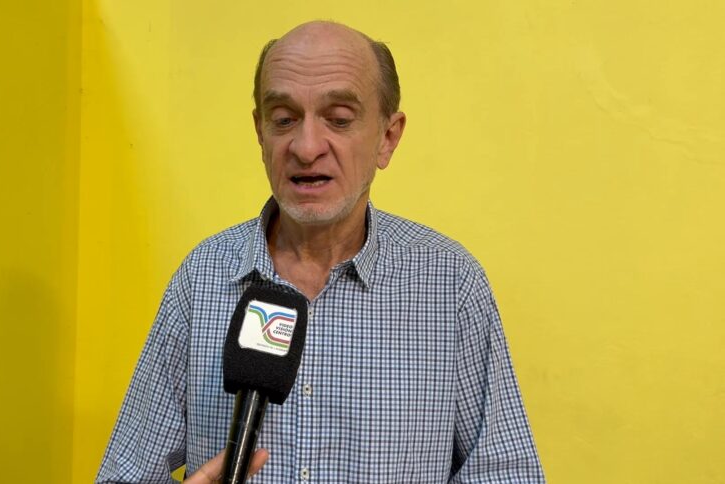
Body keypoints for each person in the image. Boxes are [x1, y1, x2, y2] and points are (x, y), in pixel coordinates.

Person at [96, 21, 545, 483]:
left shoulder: (450, 283)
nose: (306, 148)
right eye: (284, 119)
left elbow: (506, 475)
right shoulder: (204, 277)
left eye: (339, 119)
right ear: (260, 132)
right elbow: (123, 475)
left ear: (387, 137)